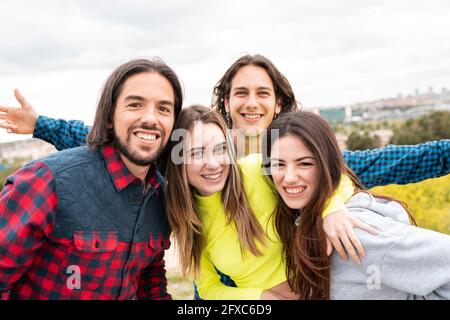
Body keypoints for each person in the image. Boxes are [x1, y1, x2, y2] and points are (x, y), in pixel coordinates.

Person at [1, 54, 450, 288]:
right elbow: (123, 139)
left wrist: (331, 204)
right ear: (226, 103)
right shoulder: (185, 155)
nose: (251, 102)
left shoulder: (299, 159)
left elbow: (370, 166)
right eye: (240, 93)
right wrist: (43, 126)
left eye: (263, 93)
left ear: (279, 103)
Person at [0, 58, 183, 299]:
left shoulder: (161, 196)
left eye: (164, 109)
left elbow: (149, 274)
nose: (151, 118)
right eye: (135, 105)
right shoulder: (45, 182)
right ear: (109, 116)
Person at [165, 105, 357, 299]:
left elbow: (333, 177)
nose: (214, 164)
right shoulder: (188, 220)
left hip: (326, 290)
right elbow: (208, 288)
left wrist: (331, 208)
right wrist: (260, 297)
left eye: (221, 149)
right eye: (197, 153)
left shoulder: (256, 170)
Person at [263, 111, 450, 299]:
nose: (289, 177)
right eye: (279, 164)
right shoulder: (301, 221)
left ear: (328, 165)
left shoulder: (358, 233)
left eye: (304, 164)